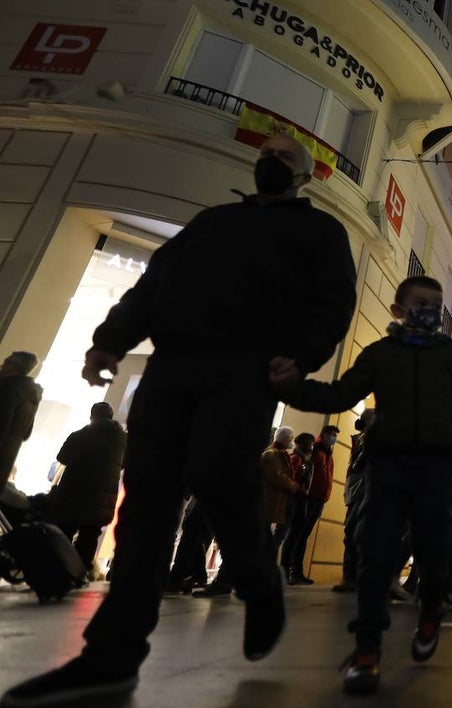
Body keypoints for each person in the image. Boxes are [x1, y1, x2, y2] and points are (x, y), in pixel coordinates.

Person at [0, 134, 358, 708]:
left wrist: (302, 354)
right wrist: (110, 342)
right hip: (172, 367)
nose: (270, 161)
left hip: (247, 368)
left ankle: (259, 579)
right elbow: (153, 284)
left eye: (284, 157)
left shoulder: (321, 233)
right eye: (265, 153)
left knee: (220, 475)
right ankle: (112, 654)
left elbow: (335, 300)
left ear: (306, 176)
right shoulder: (211, 222)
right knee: (146, 502)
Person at [268, 274, 452, 696]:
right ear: (398, 311)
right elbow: (340, 394)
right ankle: (367, 650)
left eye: (436, 305)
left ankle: (431, 610)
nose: (431, 311)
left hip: (437, 467)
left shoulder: (451, 355)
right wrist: (292, 386)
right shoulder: (381, 354)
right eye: (422, 303)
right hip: (389, 465)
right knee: (376, 553)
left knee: (436, 550)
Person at [46, 402, 127, 578]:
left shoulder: (78, 436)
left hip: (72, 494)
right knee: (89, 537)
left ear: (92, 416)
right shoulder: (123, 439)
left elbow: (62, 457)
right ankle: (79, 575)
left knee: (65, 533)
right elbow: (124, 464)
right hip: (101, 499)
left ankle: (57, 573)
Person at [334, 410, 376, 593]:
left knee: (354, 531)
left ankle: (356, 575)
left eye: (365, 419)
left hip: (369, 491)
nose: (361, 421)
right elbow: (354, 467)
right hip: (358, 491)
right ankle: (351, 575)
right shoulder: (361, 439)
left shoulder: (372, 440)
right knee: (352, 532)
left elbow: (360, 465)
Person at [0, 351, 42, 486]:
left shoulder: (9, 388)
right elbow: (26, 433)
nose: (2, 366)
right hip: (8, 457)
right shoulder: (32, 394)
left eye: (6, 364)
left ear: (14, 367)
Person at [281, 433, 317, 584]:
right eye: (309, 444)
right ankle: (284, 571)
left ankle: (289, 572)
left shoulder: (305, 459)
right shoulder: (296, 459)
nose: (311, 447)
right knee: (289, 536)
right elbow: (293, 478)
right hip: (295, 498)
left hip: (302, 498)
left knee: (295, 536)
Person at [262, 426, 300, 567]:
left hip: (277, 500)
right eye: (290, 437)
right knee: (266, 538)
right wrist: (292, 485)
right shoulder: (272, 454)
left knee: (268, 538)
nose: (292, 440)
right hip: (271, 499)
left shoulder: (281, 453)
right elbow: (276, 475)